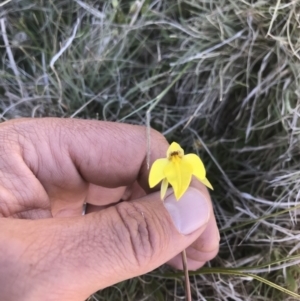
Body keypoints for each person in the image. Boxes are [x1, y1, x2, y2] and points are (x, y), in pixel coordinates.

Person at [0, 118, 219, 301]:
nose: (175, 153)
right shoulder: (166, 166)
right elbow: (158, 179)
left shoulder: (181, 164)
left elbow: (194, 177)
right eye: (173, 152)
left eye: (177, 152)